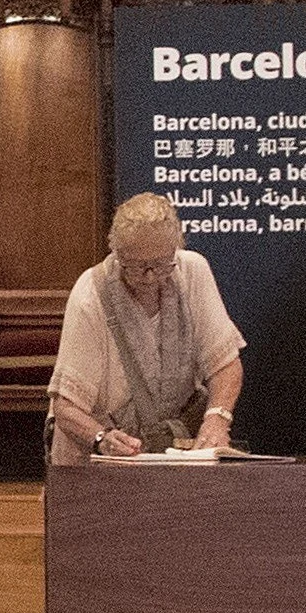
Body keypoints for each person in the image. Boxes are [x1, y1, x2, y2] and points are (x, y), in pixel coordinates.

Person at [48, 194, 245, 459]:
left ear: (176, 248)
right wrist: (101, 438)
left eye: (161, 264)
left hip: (175, 449)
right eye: (137, 267)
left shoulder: (193, 271)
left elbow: (225, 364)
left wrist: (217, 418)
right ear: (117, 255)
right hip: (100, 453)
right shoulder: (90, 293)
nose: (150, 277)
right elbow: (65, 407)